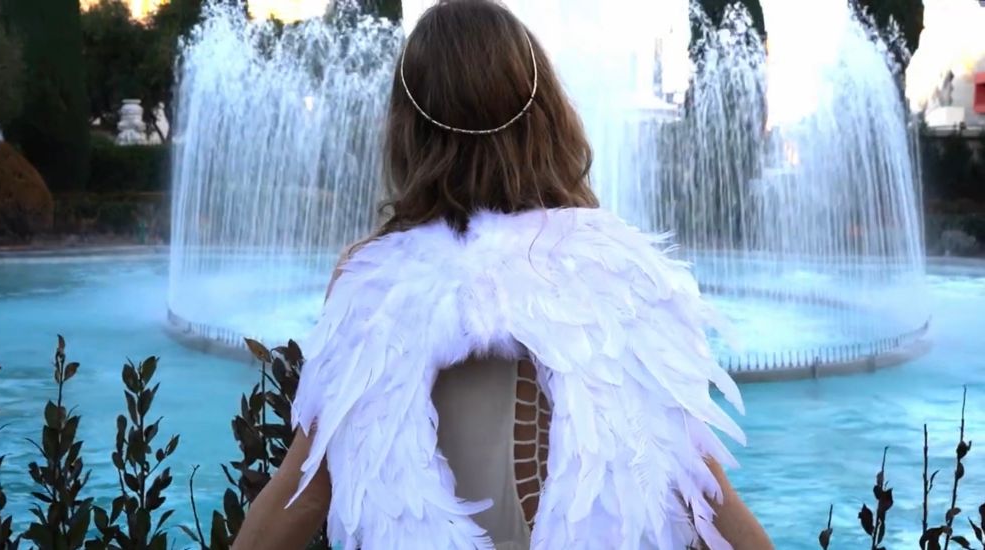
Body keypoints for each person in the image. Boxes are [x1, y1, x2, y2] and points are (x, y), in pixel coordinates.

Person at [233, 1, 772, 548]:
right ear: (547, 115)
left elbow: (306, 490)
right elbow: (704, 495)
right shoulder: (619, 272)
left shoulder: (373, 282)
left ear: (407, 129)